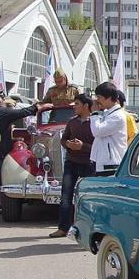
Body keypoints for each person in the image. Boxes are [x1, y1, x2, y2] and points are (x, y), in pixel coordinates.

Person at [0, 92, 51, 214]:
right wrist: (37, 107)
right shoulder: (0, 111)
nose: (4, 100)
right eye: (2, 98)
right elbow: (21, 113)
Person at [49, 94, 95, 238]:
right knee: (65, 196)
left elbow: (98, 146)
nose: (74, 106)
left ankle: (90, 229)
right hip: (71, 162)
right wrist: (68, 144)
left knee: (88, 198)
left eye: (77, 104)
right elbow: (64, 139)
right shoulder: (72, 122)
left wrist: (83, 147)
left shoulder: (96, 123)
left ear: (86, 106)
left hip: (89, 164)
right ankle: (63, 228)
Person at [90, 82, 128, 172]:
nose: (97, 101)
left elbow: (97, 131)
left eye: (99, 97)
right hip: (102, 162)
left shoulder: (117, 116)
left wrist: (95, 113)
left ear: (109, 98)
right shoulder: (108, 113)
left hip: (111, 163)